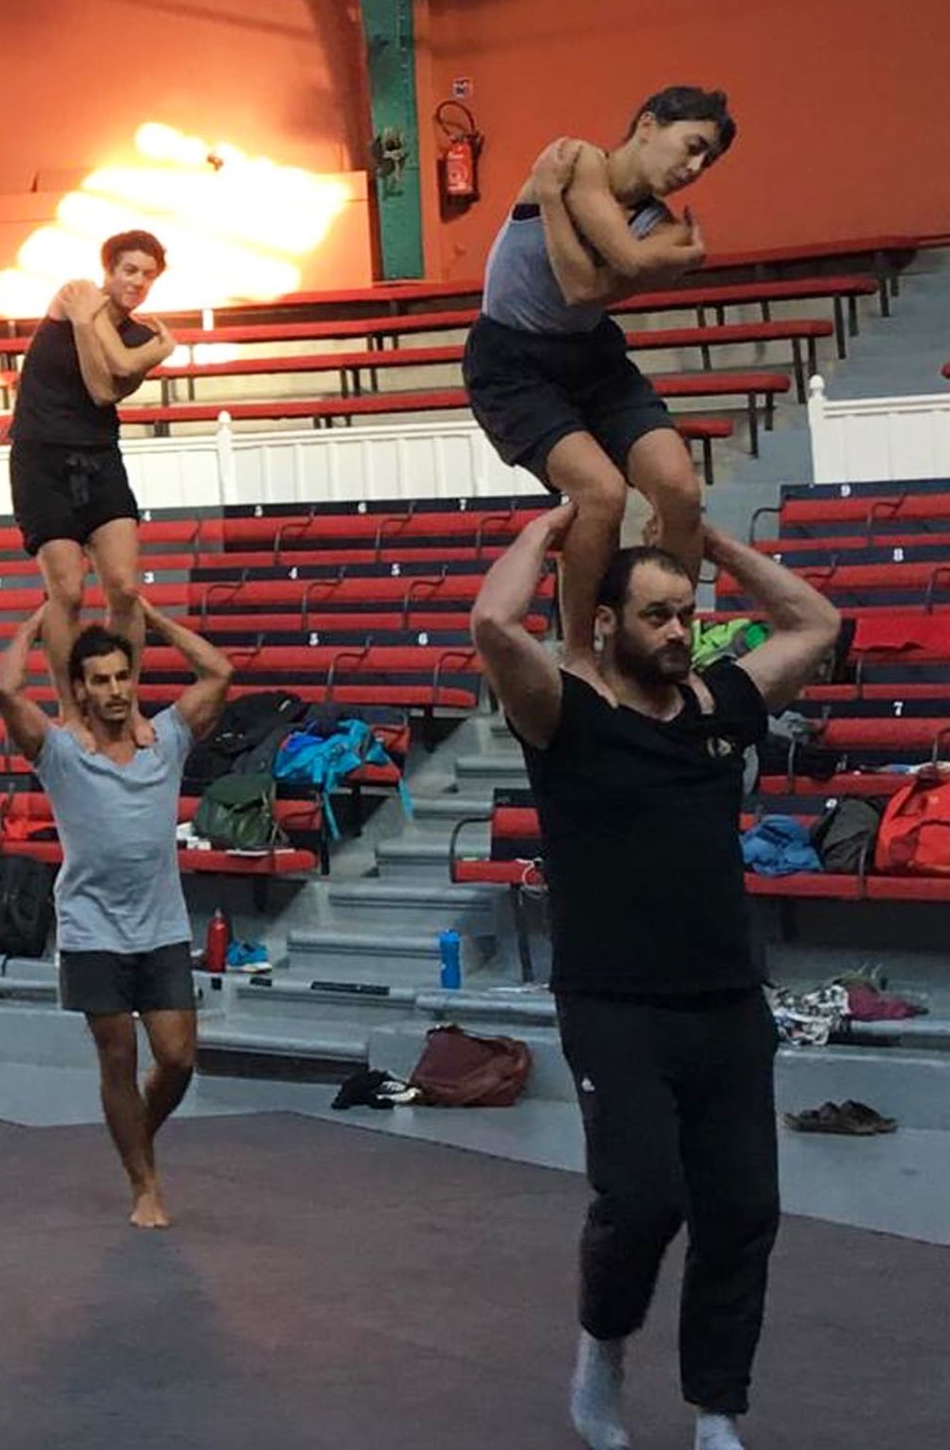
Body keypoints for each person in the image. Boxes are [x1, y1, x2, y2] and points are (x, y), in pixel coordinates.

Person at [470, 506, 839, 1450]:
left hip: (724, 999)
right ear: (608, 623)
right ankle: (603, 1347)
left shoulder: (720, 704)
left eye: (688, 613)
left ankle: (717, 1408)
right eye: (658, 616)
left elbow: (815, 624)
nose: (679, 631)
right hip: (614, 1003)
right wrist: (551, 526)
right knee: (642, 1199)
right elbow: (492, 624)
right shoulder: (565, 713)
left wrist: (713, 547)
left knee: (743, 1208)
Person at [463, 85, 736, 657]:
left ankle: (677, 640)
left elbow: (593, 283)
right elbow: (587, 282)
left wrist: (552, 200)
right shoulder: (579, 159)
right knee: (602, 493)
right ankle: (583, 653)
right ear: (646, 124)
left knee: (680, 490)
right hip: (512, 361)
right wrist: (556, 200)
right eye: (690, 146)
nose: (693, 168)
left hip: (592, 356)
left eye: (706, 162)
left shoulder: (662, 226)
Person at [0, 597, 231, 1228]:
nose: (116, 689)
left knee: (177, 1058)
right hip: (91, 928)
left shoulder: (167, 741)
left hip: (161, 926)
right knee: (119, 1057)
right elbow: (3, 688)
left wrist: (153, 620)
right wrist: (36, 621)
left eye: (123, 676)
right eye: (101, 680)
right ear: (81, 690)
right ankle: (143, 1183)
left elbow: (220, 674)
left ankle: (136, 1136)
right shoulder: (63, 754)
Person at [8, 231, 175, 738]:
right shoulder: (75, 295)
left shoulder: (139, 335)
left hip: (100, 457)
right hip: (42, 456)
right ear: (109, 270)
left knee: (124, 587)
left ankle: (127, 703)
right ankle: (71, 709)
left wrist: (134, 346)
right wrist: (160, 349)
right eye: (130, 270)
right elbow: (112, 378)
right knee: (68, 592)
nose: (138, 282)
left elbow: (105, 388)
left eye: (147, 275)